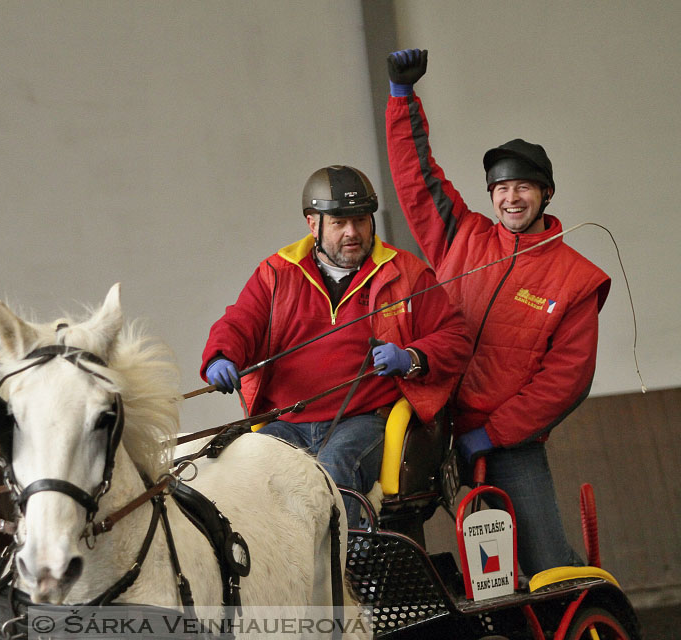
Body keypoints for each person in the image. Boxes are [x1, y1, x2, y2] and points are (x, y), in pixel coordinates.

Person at [385, 49, 612, 575]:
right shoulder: (460, 235)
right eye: (502, 188)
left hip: (503, 438)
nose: (511, 198)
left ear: (546, 193)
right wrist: (402, 98)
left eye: (523, 187)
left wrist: (494, 433)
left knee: (545, 565)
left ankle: (585, 613)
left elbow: (567, 381)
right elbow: (417, 180)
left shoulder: (576, 279)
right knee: (390, 541)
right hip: (429, 421)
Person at [200, 165, 470, 526]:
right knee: (249, 466)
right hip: (289, 421)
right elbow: (240, 321)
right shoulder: (277, 272)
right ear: (313, 224)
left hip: (363, 420)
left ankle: (346, 573)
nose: (352, 233)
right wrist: (221, 355)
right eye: (339, 223)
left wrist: (411, 358)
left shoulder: (407, 272)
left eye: (360, 220)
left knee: (332, 469)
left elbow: (455, 336)